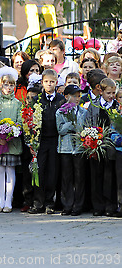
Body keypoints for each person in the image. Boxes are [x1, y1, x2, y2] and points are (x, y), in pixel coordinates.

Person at [28, 69, 66, 214]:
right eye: (46, 82)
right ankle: (38, 202)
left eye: (52, 82)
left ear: (56, 83)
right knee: (39, 171)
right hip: (41, 141)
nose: (49, 85)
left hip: (55, 140)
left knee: (52, 172)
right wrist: (31, 141)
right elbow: (30, 121)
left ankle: (50, 202)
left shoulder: (61, 100)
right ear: (42, 83)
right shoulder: (37, 100)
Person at [0, 67, 22, 213]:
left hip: (12, 143)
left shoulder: (17, 103)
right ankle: (0, 201)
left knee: (10, 171)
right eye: (6, 84)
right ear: (1, 84)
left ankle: (9, 201)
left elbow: (20, 122)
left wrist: (10, 134)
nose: (8, 87)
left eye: (11, 84)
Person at [84, 78, 119, 216]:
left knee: (109, 177)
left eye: (113, 93)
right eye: (108, 93)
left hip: (111, 147)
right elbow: (88, 122)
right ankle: (97, 206)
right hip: (95, 145)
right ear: (101, 91)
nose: (111, 96)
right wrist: (91, 137)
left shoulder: (116, 106)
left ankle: (110, 206)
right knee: (96, 176)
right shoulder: (94, 105)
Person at [56, 84, 86, 216]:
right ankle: (67, 204)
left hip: (79, 149)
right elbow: (60, 130)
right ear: (67, 97)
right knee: (66, 177)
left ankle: (78, 205)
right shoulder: (60, 112)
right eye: (74, 96)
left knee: (79, 177)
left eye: (79, 96)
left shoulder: (84, 112)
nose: (77, 98)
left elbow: (84, 128)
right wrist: (71, 123)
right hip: (65, 148)